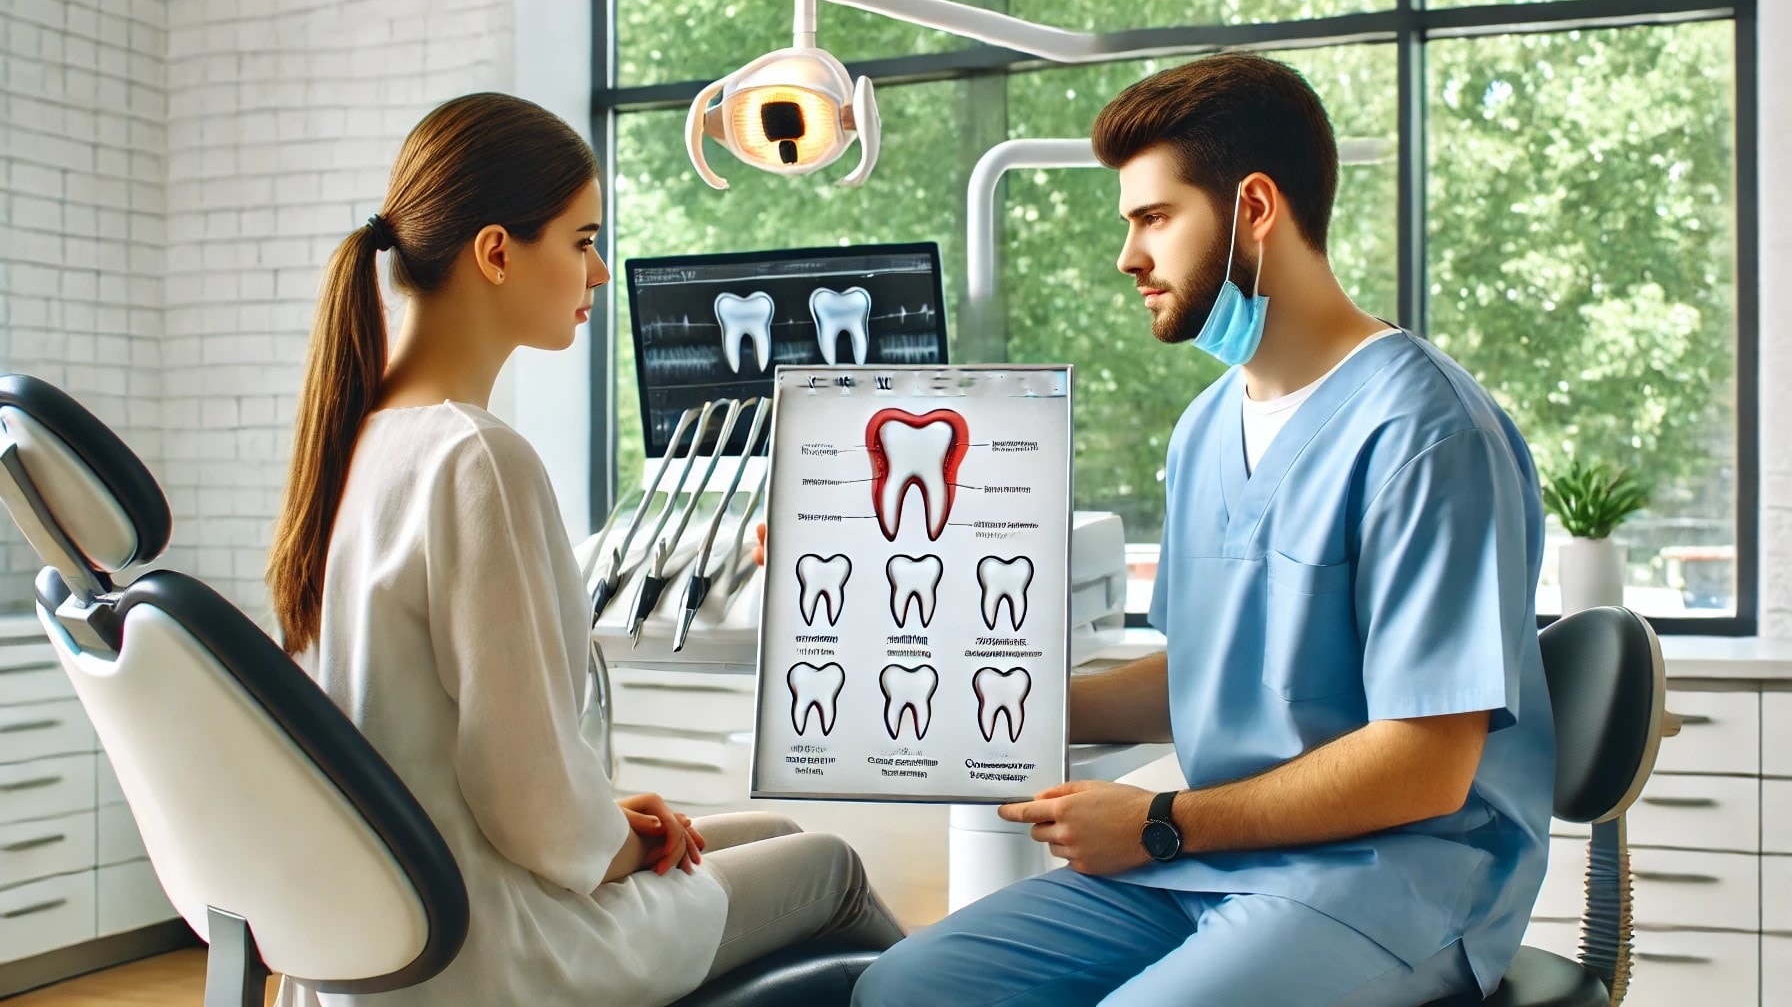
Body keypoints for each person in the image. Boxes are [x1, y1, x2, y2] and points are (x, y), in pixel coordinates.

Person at [760, 52, 1552, 1006]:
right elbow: (1207, 679)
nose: (1127, 257)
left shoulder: (1425, 436)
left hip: (1390, 877)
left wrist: (1162, 823)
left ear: (1253, 208)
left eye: (1153, 218)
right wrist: (966, 686)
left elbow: (1426, 765)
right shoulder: (1207, 428)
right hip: (1207, 864)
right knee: (905, 990)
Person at [266, 92, 902, 1007]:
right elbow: (524, 799)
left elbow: (475, 761)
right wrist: (610, 841)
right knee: (831, 867)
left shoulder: (355, 443)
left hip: (392, 934)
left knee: (771, 827)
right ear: (495, 252)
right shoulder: (475, 458)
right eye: (582, 241)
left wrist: (605, 822)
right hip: (499, 943)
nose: (599, 273)